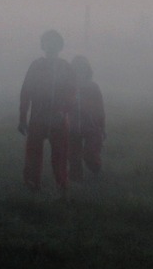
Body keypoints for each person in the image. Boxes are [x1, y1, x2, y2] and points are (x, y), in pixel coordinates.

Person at [18, 29, 76, 194]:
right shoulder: (36, 66)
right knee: (33, 154)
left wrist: (64, 110)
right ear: (43, 45)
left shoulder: (66, 67)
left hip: (58, 119)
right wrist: (22, 118)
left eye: (54, 42)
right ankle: (32, 184)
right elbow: (26, 92)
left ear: (60, 46)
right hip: (38, 118)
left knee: (60, 155)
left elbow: (72, 92)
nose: (51, 45)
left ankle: (62, 184)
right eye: (47, 42)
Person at [68, 55, 106, 182]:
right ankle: (76, 182)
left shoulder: (93, 88)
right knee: (73, 157)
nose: (79, 72)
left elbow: (100, 110)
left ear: (87, 71)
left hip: (92, 128)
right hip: (72, 129)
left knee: (90, 155)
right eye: (76, 70)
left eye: (82, 69)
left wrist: (102, 128)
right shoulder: (68, 88)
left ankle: (97, 172)